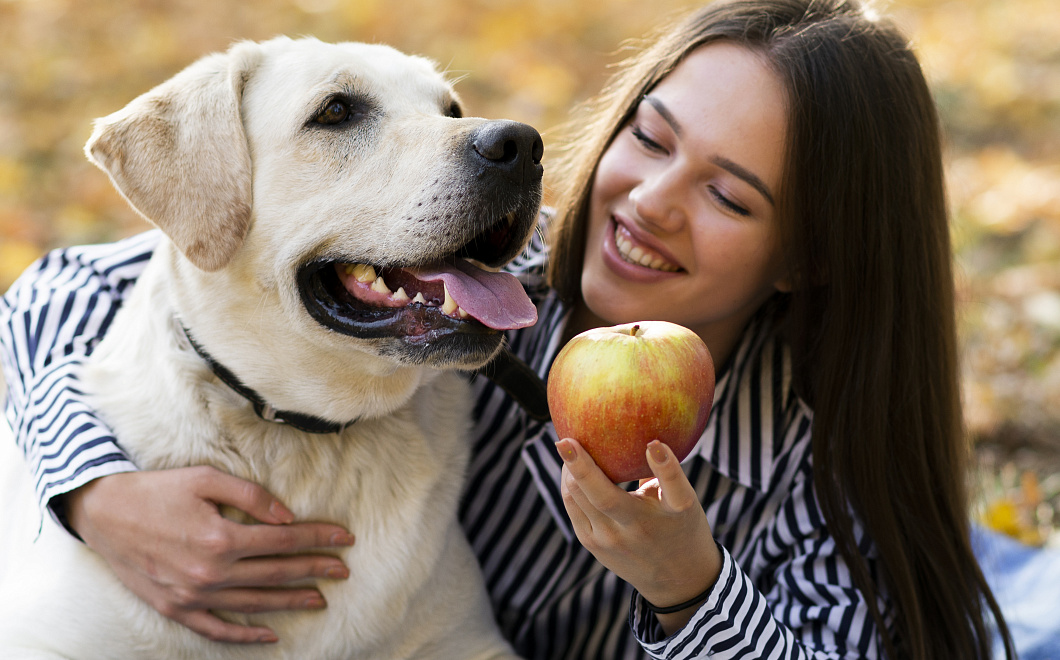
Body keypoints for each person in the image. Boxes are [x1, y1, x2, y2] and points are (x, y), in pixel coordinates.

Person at [0, 0, 1016, 658]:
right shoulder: (496, 296)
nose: (650, 203)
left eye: (732, 197)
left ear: (809, 258)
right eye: (649, 138)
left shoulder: (819, 468)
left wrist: (688, 586)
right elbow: (61, 294)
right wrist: (92, 485)